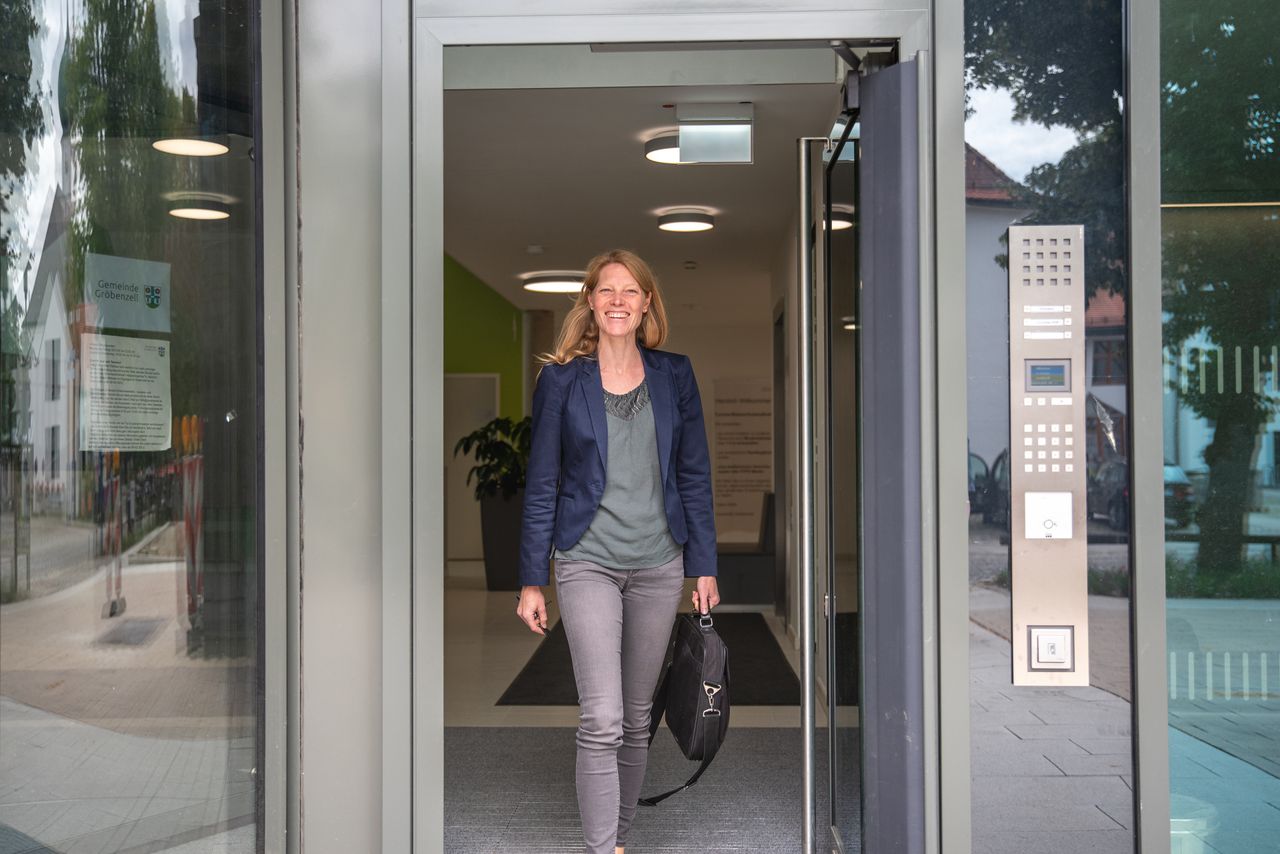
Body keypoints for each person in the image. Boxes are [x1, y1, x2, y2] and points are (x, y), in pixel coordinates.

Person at [517, 248, 720, 854]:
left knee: (635, 719)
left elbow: (694, 475)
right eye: (606, 291)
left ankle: (618, 839)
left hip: (661, 564)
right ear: (589, 301)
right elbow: (543, 483)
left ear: (647, 304)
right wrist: (532, 578)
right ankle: (601, 849)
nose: (617, 301)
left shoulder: (675, 375)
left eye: (631, 292)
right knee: (601, 717)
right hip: (587, 560)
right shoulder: (560, 381)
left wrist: (703, 564)